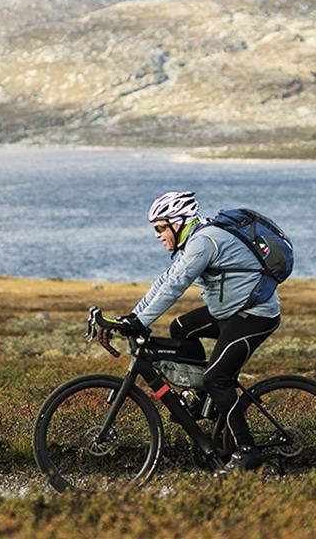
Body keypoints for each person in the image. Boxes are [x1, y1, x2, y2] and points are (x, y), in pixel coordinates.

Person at [105, 190, 282, 471]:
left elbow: (177, 285)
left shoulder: (203, 241)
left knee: (218, 379)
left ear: (179, 222)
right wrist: (134, 316)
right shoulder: (193, 240)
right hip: (231, 310)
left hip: (254, 316)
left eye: (161, 227)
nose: (157, 234)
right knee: (180, 329)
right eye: (155, 229)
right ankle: (201, 399)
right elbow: (166, 279)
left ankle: (248, 452)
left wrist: (141, 323)